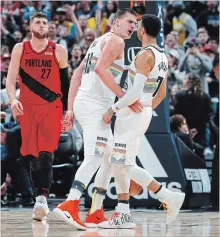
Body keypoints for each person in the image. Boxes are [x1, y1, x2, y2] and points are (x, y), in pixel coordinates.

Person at [94, 14, 185, 229]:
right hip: (140, 112)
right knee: (124, 164)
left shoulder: (144, 55)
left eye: (138, 26)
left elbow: (134, 90)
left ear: (142, 30)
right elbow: (161, 94)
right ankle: (123, 214)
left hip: (131, 113)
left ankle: (167, 195)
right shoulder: (162, 56)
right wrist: (144, 107)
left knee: (120, 163)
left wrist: (113, 109)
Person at [53, 8, 141, 230]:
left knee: (110, 158)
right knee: (95, 156)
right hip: (94, 106)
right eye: (129, 21)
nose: (133, 26)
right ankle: (70, 203)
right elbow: (101, 69)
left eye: (135, 23)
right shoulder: (117, 42)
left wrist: (70, 109)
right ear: (116, 22)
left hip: (86, 104)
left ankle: (95, 212)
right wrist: (125, 98)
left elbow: (76, 75)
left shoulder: (98, 42)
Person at [6, 12, 69, 221]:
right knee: (32, 154)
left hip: (52, 107)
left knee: (46, 153)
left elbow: (66, 85)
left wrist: (69, 110)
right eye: (38, 22)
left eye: (45, 23)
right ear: (30, 27)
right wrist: (13, 100)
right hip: (28, 108)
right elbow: (10, 79)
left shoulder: (58, 50)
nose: (42, 26)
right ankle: (38, 198)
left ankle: (42, 197)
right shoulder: (19, 49)